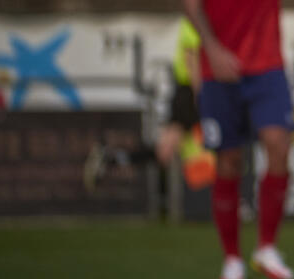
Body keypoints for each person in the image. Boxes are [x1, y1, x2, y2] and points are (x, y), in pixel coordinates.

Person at [175, 0, 294, 279]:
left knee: (278, 144)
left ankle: (266, 248)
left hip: (266, 66)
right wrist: (212, 49)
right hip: (220, 70)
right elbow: (190, 3)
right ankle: (231, 257)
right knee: (229, 161)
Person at [83, 17, 216, 193]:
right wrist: (201, 95)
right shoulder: (195, 19)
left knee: (166, 151)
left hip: (191, 90)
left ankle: (112, 158)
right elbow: (191, 57)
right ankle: (111, 157)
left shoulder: (200, 18)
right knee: (167, 149)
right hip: (189, 90)